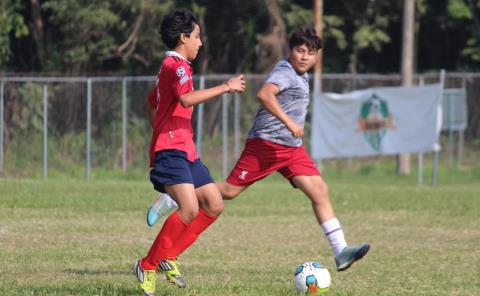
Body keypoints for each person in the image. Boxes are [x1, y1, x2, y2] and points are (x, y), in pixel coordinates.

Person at [146, 26, 369, 273]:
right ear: (290, 51)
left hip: (291, 149)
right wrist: (289, 122)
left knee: (319, 190)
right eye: (300, 50)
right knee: (228, 191)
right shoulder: (285, 71)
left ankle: (340, 250)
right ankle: (173, 195)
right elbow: (265, 94)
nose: (305, 56)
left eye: (311, 52)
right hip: (266, 144)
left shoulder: (301, 74)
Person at [134, 9, 246, 296]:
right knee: (190, 208)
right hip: (172, 152)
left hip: (185, 151)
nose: (200, 42)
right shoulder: (178, 67)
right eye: (196, 36)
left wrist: (161, 129)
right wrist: (226, 87)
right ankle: (148, 265)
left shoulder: (168, 67)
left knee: (214, 204)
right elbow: (185, 99)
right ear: (183, 37)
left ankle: (168, 256)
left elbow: (151, 105)